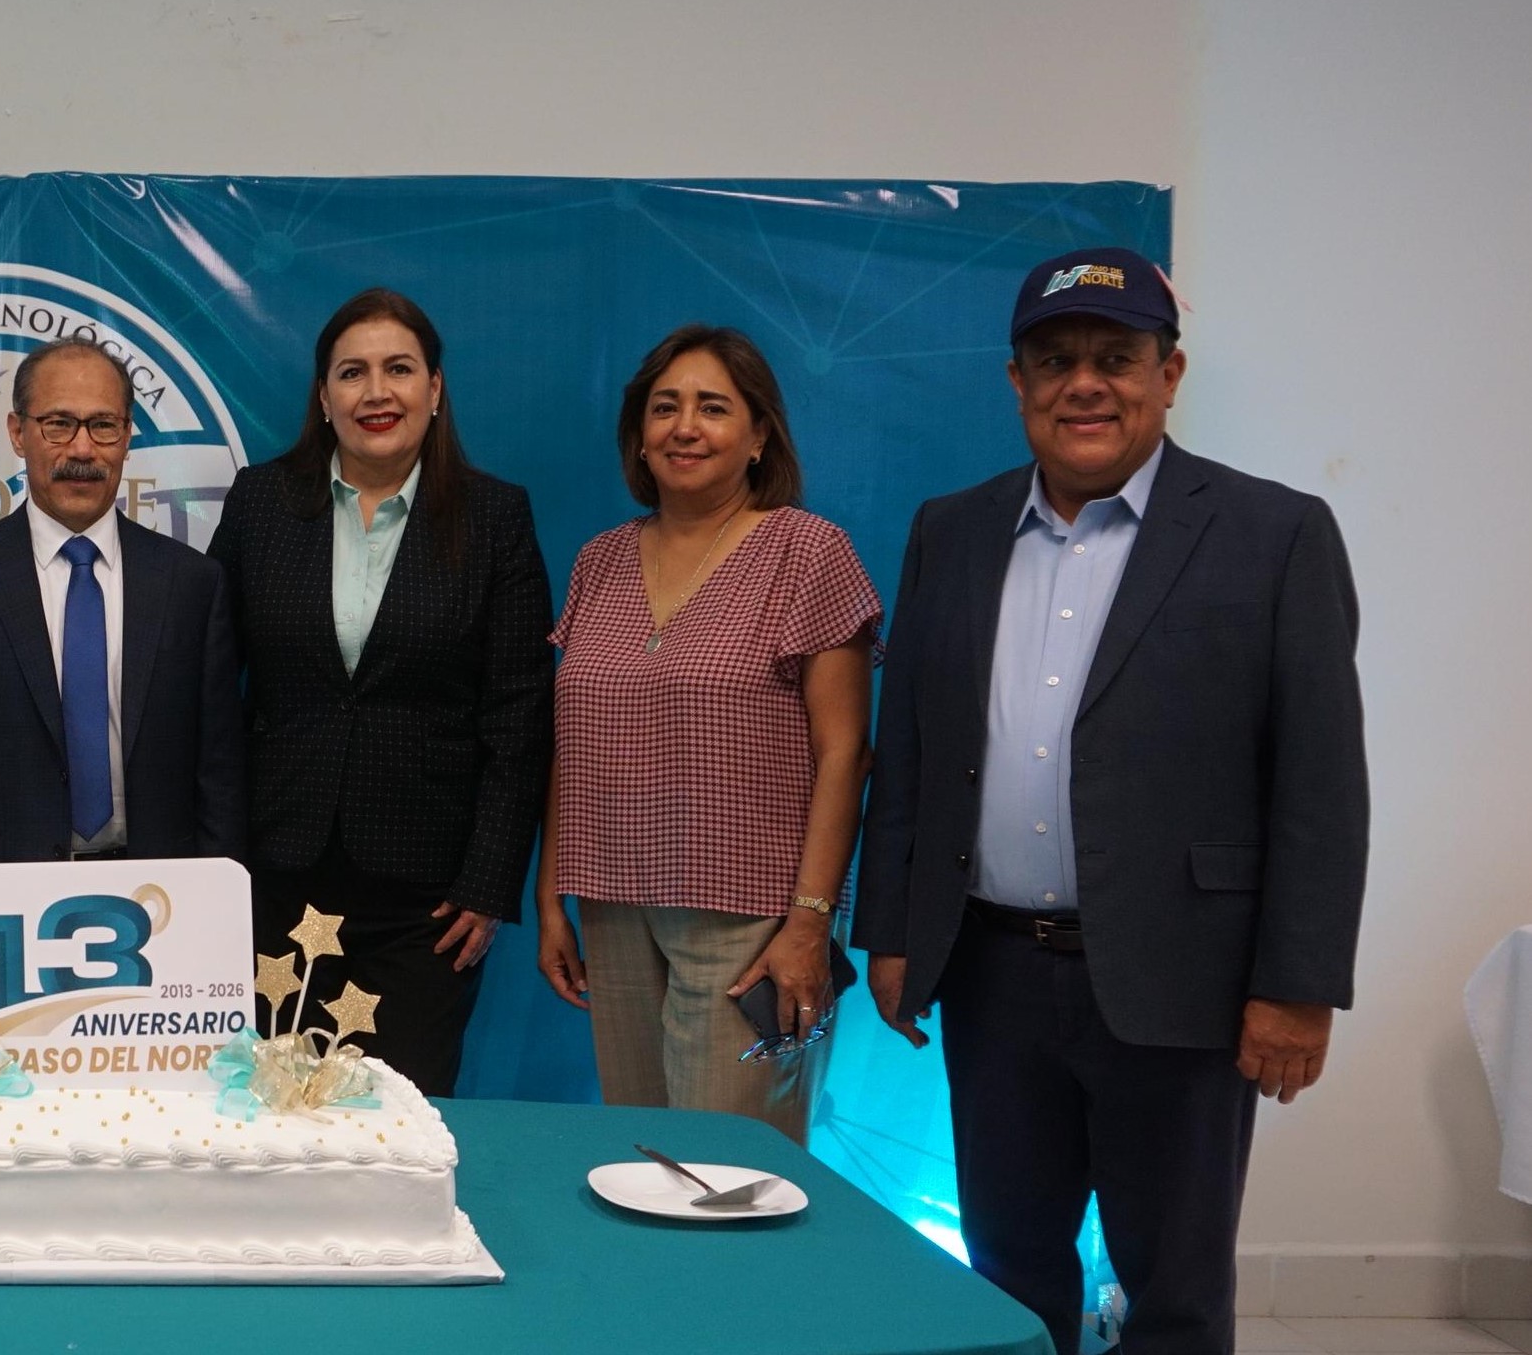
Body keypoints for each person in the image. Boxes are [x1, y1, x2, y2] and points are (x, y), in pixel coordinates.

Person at [853, 247, 1369, 1354]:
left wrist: (1298, 984)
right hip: (993, 975)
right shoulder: (951, 529)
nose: (1084, 383)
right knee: (1006, 1275)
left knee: (1174, 1292)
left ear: (1168, 374)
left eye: (1115, 358)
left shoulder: (1274, 533)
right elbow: (913, 750)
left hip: (1185, 978)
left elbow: (1321, 781)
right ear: (1016, 383)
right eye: (1055, 361)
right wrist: (891, 928)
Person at [530, 325, 880, 1142]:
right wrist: (550, 897)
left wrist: (808, 923)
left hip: (752, 921)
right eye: (664, 408)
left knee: (731, 1173)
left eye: (713, 408)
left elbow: (844, 755)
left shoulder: (808, 552)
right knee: (641, 1158)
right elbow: (570, 742)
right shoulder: (599, 561)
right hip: (612, 906)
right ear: (638, 435)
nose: (684, 427)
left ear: (759, 436)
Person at [207, 289, 552, 1098]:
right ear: (323, 397)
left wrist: (488, 881)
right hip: (274, 879)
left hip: (426, 903)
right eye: (351, 372)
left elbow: (519, 714)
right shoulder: (260, 503)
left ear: (434, 389)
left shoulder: (494, 516)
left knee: (403, 1116)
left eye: (398, 369)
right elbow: (209, 687)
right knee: (268, 1116)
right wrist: (212, 862)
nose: (375, 392)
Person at [0, 338, 245, 977]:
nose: (82, 449)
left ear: (127, 437)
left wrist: (222, 918)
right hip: (0, 920)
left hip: (165, 912)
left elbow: (217, 775)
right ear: (17, 432)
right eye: (59, 424)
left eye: (103, 425)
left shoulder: (192, 585)